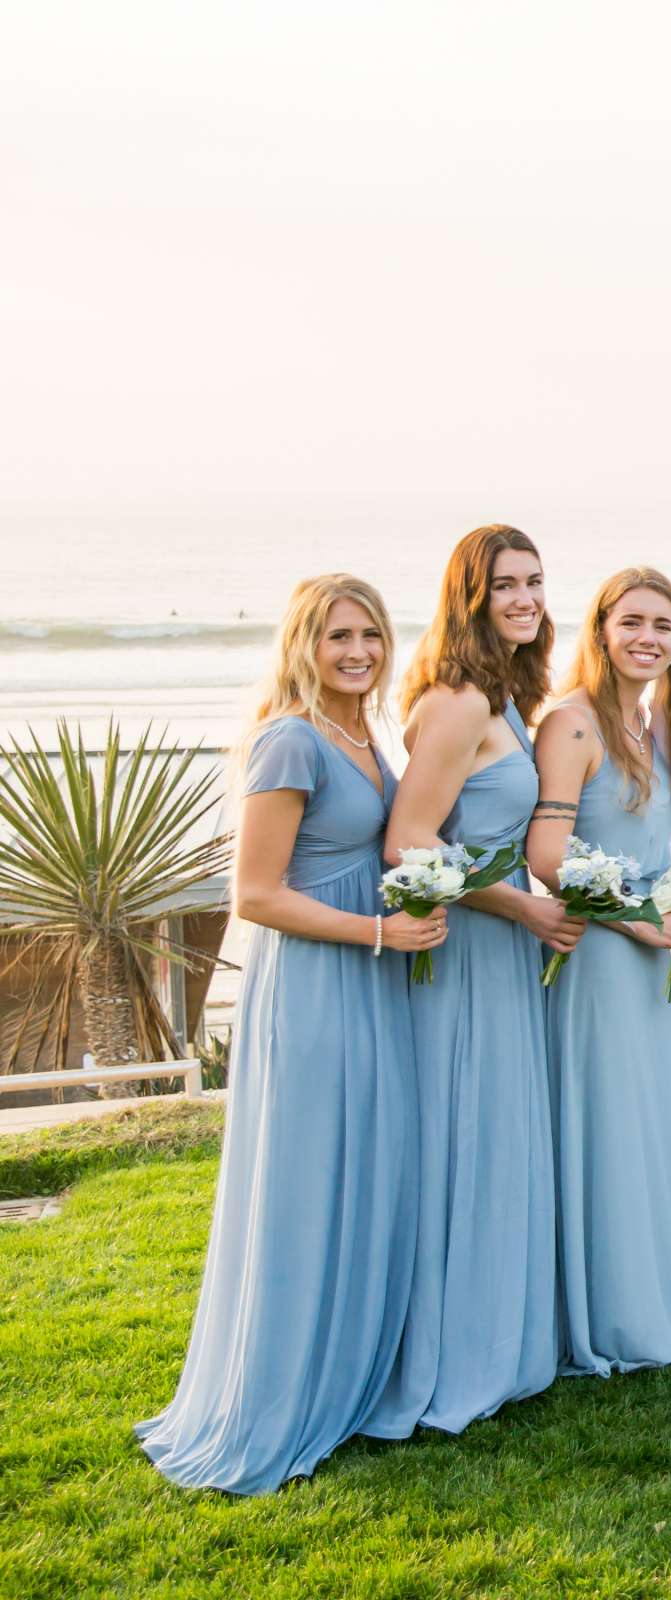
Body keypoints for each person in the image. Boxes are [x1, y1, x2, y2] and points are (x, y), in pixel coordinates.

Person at [137, 575, 445, 1494]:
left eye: (371, 636)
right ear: (302, 645)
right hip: (316, 985)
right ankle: (285, 1393)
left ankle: (348, 1373)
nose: (357, 653)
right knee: (309, 1179)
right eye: (337, 637)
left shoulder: (364, 734)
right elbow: (255, 896)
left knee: (367, 1170)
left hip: (372, 981)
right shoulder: (289, 740)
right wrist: (381, 931)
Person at [364, 525, 574, 1438]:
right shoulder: (456, 701)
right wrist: (520, 908)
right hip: (469, 949)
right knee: (467, 1142)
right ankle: (455, 1355)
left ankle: (506, 1340)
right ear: (470, 598)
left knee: (499, 1138)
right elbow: (407, 839)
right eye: (505, 587)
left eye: (533, 582)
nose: (524, 598)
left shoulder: (507, 696)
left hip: (504, 947)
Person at [530, 568, 671, 1374]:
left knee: (645, 1126)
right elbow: (546, 857)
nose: (650, 638)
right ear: (601, 628)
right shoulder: (571, 724)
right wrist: (644, 922)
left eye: (665, 627)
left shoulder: (652, 726)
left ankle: (656, 1299)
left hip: (647, 960)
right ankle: (605, 1314)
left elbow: (654, 847)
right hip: (599, 959)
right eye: (634, 622)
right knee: (605, 1129)